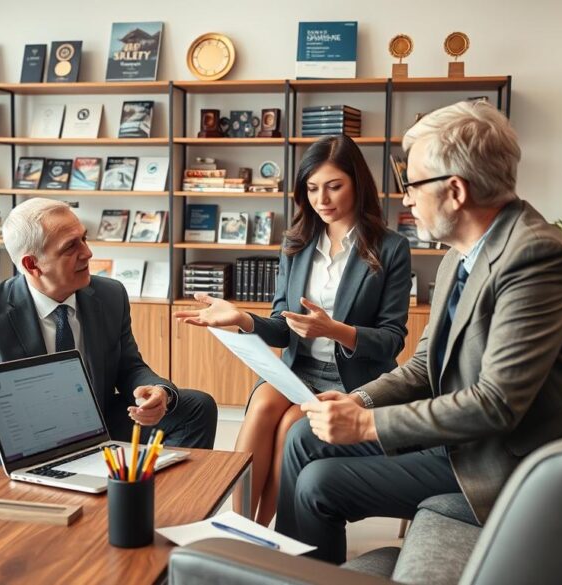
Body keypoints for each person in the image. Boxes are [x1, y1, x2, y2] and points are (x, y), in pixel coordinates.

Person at [274, 100, 562, 563]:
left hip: (512, 459)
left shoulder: (536, 257)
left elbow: (497, 405)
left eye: (411, 184)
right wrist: (360, 401)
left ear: (454, 190)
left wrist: (367, 424)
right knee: (304, 436)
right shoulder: (459, 253)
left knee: (319, 482)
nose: (407, 198)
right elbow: (420, 367)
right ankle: (291, 571)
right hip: (461, 436)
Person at [174, 135, 413, 524]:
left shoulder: (390, 248)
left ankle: (267, 531)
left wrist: (335, 330)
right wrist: (242, 319)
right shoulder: (297, 243)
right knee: (264, 406)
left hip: (352, 378)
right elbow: (283, 328)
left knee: (290, 426)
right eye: (313, 188)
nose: (323, 199)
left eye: (335, 186)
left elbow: (391, 340)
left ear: (358, 183)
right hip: (296, 369)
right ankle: (237, 526)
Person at [0, 199, 218, 477]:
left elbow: (129, 367)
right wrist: (51, 414)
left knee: (196, 407)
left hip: (97, 421)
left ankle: (157, 504)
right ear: (32, 264)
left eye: (84, 239)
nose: (88, 252)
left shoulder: (110, 295)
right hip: (28, 441)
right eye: (71, 246)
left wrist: (157, 391)